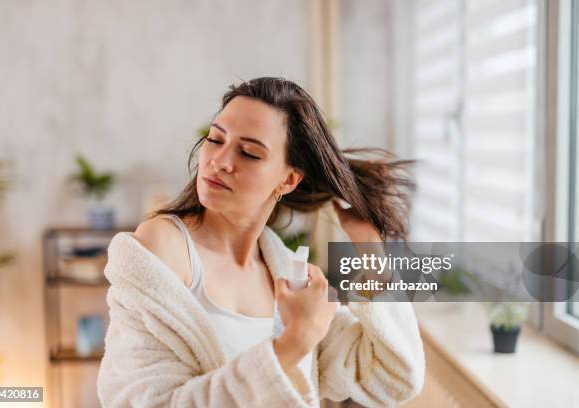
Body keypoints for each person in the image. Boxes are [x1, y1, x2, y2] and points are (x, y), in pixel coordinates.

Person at [96, 77, 425, 407]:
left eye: (249, 153)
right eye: (215, 139)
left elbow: (393, 378)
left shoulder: (284, 272)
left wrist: (368, 244)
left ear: (288, 179)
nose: (219, 160)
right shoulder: (163, 249)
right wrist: (295, 342)